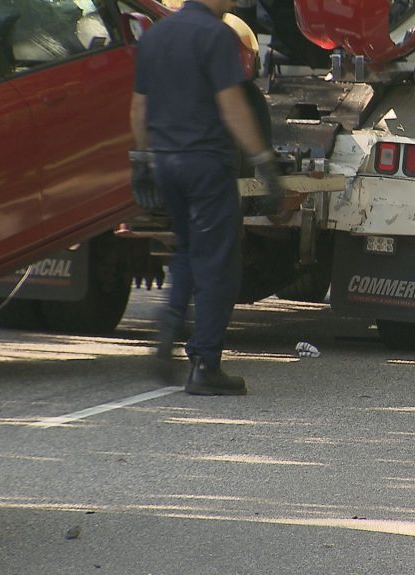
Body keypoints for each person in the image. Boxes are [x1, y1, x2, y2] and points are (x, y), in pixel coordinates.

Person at [129, 0, 283, 395]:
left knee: (186, 249)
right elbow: (232, 106)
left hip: (165, 162)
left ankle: (170, 322)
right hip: (207, 164)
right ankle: (206, 365)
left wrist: (142, 160)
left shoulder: (156, 33)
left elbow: (139, 105)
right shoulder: (217, 36)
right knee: (218, 263)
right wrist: (264, 160)